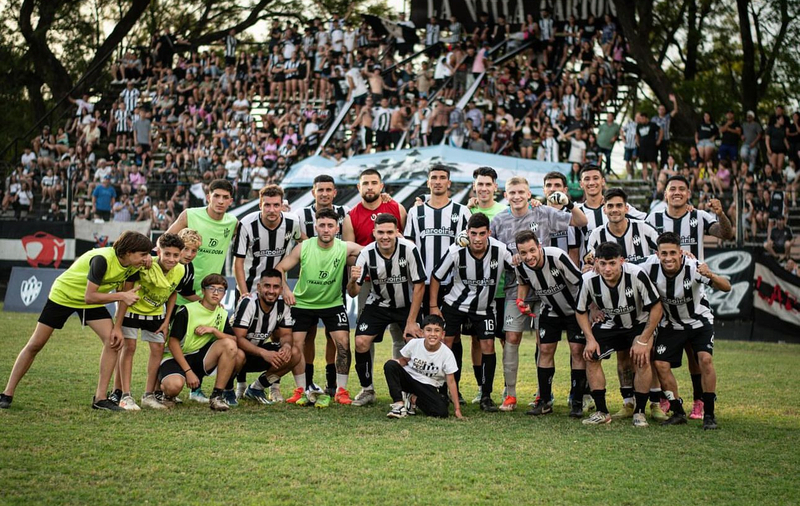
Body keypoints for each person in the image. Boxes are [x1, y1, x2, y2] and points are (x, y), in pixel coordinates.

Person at [0, 231, 152, 410]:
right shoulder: (101, 259)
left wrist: (117, 327)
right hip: (64, 296)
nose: (147, 258)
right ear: (128, 252)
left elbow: (127, 297)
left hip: (92, 301)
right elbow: (91, 296)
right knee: (36, 344)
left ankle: (100, 399)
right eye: (143, 254)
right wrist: (121, 296)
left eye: (147, 254)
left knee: (113, 341)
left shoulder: (134, 266)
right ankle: (7, 393)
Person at [490, 176, 587, 412]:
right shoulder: (499, 220)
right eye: (512, 192)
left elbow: (581, 221)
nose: (516, 196)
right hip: (517, 287)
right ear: (506, 195)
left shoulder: (541, 211)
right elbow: (490, 247)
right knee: (512, 339)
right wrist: (508, 259)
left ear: (528, 193)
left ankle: (543, 395)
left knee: (545, 343)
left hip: (548, 293)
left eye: (521, 191)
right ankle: (510, 394)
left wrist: (569, 203)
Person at [643, 232, 730, 430]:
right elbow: (625, 267)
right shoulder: (649, 266)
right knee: (660, 364)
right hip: (671, 323)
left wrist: (711, 275)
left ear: (681, 253)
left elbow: (727, 287)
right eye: (664, 253)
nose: (668, 258)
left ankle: (709, 414)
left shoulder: (694, 267)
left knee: (705, 360)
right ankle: (678, 411)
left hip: (699, 322)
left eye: (673, 253)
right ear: (657, 254)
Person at [277, 208, 362, 406]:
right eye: (322, 225)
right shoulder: (304, 247)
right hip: (303, 303)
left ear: (337, 228)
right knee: (296, 346)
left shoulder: (345, 247)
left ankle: (341, 390)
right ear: (315, 227)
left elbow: (372, 250)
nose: (326, 229)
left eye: (330, 226)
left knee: (343, 344)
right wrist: (286, 290)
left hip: (332, 303)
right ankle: (301, 389)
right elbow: (280, 268)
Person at [430, 213, 514, 412]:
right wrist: (434, 306)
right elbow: (436, 275)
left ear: (489, 233)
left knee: (487, 344)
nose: (477, 238)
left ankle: (486, 395)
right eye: (473, 233)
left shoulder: (501, 250)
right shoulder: (456, 249)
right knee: (446, 343)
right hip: (455, 305)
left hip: (485, 308)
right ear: (467, 233)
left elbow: (518, 269)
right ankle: (443, 390)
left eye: (482, 233)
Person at [576, 241, 663, 427]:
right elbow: (580, 310)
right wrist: (590, 339)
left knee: (642, 358)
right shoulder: (588, 280)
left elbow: (656, 307)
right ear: (596, 262)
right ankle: (602, 411)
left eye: (612, 263)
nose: (607, 269)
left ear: (621, 261)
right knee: (590, 355)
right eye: (603, 264)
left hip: (639, 323)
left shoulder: (636, 274)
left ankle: (639, 412)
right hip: (611, 322)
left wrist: (644, 340)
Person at [347, 213, 426, 406]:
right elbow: (353, 292)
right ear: (374, 233)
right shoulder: (366, 253)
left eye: (390, 232)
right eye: (380, 232)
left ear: (397, 232)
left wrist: (411, 321)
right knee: (361, 342)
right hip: (379, 303)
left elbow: (419, 284)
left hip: (406, 304)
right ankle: (367, 390)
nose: (385, 236)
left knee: (415, 342)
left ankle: (415, 390)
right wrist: (351, 280)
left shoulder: (409, 248)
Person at [514, 230, 587, 418]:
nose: (528, 256)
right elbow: (523, 283)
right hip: (550, 310)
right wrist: (521, 301)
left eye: (532, 250)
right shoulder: (520, 266)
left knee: (577, 351)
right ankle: (545, 402)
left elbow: (581, 282)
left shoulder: (557, 257)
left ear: (539, 246)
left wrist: (590, 310)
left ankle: (577, 402)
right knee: (544, 350)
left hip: (574, 311)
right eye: (523, 253)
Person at [112, 233, 186, 410]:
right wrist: (118, 324)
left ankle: (148, 395)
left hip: (155, 314)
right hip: (131, 311)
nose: (171, 259)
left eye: (176, 255)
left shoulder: (181, 270)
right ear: (158, 252)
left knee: (158, 349)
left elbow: (173, 293)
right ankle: (125, 396)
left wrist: (167, 321)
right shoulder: (144, 265)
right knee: (129, 348)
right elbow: (126, 291)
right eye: (167, 254)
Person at [295, 174, 350, 396]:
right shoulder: (300, 214)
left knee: (333, 335)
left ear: (334, 192)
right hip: (310, 285)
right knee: (307, 335)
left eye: (329, 190)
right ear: (313, 192)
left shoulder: (345, 212)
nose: (325, 194)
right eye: (321, 190)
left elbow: (348, 242)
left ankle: (332, 383)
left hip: (335, 283)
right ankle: (307, 382)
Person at [158, 274, 245, 412]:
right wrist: (188, 371)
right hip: (176, 358)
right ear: (203, 291)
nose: (216, 293)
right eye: (212, 288)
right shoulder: (187, 310)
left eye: (220, 290)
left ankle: (217, 396)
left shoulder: (221, 313)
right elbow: (173, 343)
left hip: (199, 358)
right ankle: (164, 392)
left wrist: (214, 331)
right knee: (173, 387)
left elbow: (233, 340)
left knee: (232, 347)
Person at [232, 269, 301, 405]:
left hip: (256, 353)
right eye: (267, 286)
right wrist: (264, 353)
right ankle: (226, 390)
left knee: (295, 353)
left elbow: (286, 334)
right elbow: (238, 339)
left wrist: (286, 345)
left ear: (281, 289)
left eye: (276, 287)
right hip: (234, 356)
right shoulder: (248, 303)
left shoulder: (283, 305)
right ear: (259, 287)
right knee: (238, 354)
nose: (271, 291)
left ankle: (257, 388)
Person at [166, 179, 238, 304]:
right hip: (176, 293)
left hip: (207, 296)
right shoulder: (189, 215)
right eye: (216, 196)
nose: (220, 201)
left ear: (230, 201)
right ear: (208, 197)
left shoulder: (232, 223)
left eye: (225, 197)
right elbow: (164, 242)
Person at [384, 315, 463, 419]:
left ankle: (412, 399)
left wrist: (457, 409)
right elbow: (404, 360)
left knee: (442, 412)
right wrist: (393, 364)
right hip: (410, 379)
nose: (432, 334)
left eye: (437, 331)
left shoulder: (447, 354)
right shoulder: (414, 344)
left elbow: (451, 382)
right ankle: (399, 405)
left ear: (442, 334)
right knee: (390, 365)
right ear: (422, 332)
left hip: (428, 385)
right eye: (428, 330)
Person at [586, 188, 658, 266]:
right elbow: (590, 259)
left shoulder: (643, 227)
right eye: (610, 206)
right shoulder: (596, 235)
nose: (614, 210)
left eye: (619, 205)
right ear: (604, 210)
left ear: (626, 209)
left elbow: (664, 248)